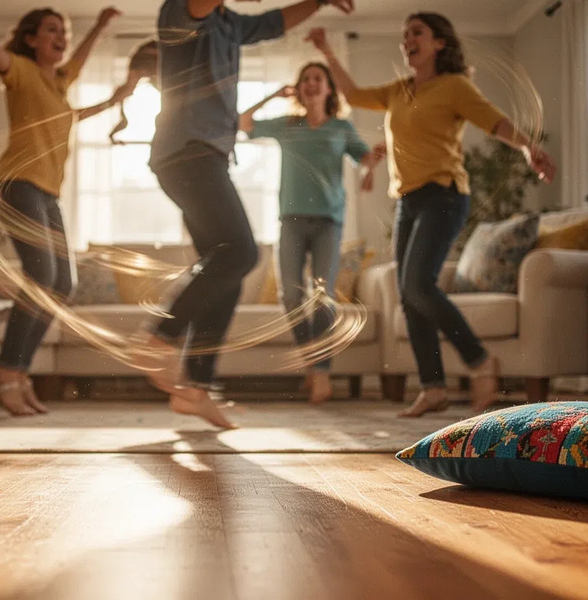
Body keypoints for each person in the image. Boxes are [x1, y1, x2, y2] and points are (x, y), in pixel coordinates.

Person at [306, 16, 556, 417]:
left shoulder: (454, 86)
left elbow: (494, 120)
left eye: (417, 32)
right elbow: (352, 95)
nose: (407, 39)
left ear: (439, 43)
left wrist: (528, 147)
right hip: (407, 201)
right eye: (404, 34)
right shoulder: (398, 90)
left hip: (444, 195)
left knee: (418, 285)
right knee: (408, 293)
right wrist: (326, 51)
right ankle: (433, 387)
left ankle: (479, 361)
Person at [137, 0, 355, 429]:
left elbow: (275, 22)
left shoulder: (230, 24)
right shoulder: (181, 10)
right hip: (187, 153)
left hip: (206, 157)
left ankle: (196, 388)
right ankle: (161, 337)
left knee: (228, 271)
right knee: (241, 252)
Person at [0, 6, 134, 416]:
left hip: (48, 194)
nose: (62, 37)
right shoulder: (22, 71)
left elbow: (74, 89)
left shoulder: (60, 84)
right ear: (32, 39)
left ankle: (18, 371)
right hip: (18, 186)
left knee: (62, 284)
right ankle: (7, 369)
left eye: (64, 31)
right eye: (52, 30)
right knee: (42, 276)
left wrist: (100, 27)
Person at [238, 63, 383, 404]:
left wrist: (371, 166)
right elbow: (243, 122)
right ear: (298, 88)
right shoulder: (288, 125)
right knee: (291, 297)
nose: (311, 84)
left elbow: (364, 158)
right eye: (305, 79)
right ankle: (311, 358)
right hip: (291, 221)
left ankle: (320, 373)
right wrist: (273, 95)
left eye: (318, 79)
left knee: (322, 296)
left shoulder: (341, 127)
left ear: (329, 88)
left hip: (328, 224)